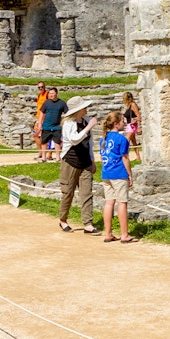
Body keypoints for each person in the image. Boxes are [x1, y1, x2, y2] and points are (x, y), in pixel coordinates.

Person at [59, 95, 100, 235]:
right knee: (68, 192)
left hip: (85, 162)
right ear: (78, 109)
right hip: (70, 161)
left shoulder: (86, 121)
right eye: (84, 107)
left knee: (87, 193)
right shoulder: (68, 124)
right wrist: (88, 127)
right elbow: (74, 140)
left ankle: (88, 223)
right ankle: (63, 219)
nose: (87, 109)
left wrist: (92, 160)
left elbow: (89, 143)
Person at [100, 111, 139, 243]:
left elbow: (102, 156)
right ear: (116, 124)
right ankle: (124, 235)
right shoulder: (121, 139)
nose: (124, 123)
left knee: (109, 202)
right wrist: (130, 175)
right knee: (122, 202)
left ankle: (108, 233)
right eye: (122, 121)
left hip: (106, 173)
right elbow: (125, 158)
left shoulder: (103, 139)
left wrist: (131, 129)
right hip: (118, 173)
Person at [38, 87, 68, 162]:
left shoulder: (62, 103)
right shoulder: (46, 102)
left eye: (52, 93)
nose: (51, 95)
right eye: (50, 93)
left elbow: (67, 113)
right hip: (46, 126)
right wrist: (40, 123)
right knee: (44, 142)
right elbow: (42, 113)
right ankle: (44, 158)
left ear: (56, 93)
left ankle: (58, 158)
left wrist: (65, 123)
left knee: (57, 142)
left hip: (57, 126)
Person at [122, 91, 141, 160]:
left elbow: (138, 115)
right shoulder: (129, 105)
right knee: (133, 141)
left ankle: (125, 156)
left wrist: (138, 127)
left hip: (132, 126)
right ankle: (138, 156)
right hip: (129, 125)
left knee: (127, 140)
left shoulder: (133, 105)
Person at [32, 82, 48, 160]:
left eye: (42, 87)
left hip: (45, 119)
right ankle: (41, 152)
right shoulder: (39, 96)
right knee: (35, 135)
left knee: (45, 136)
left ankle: (46, 154)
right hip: (39, 119)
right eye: (39, 87)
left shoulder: (47, 95)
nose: (40, 88)